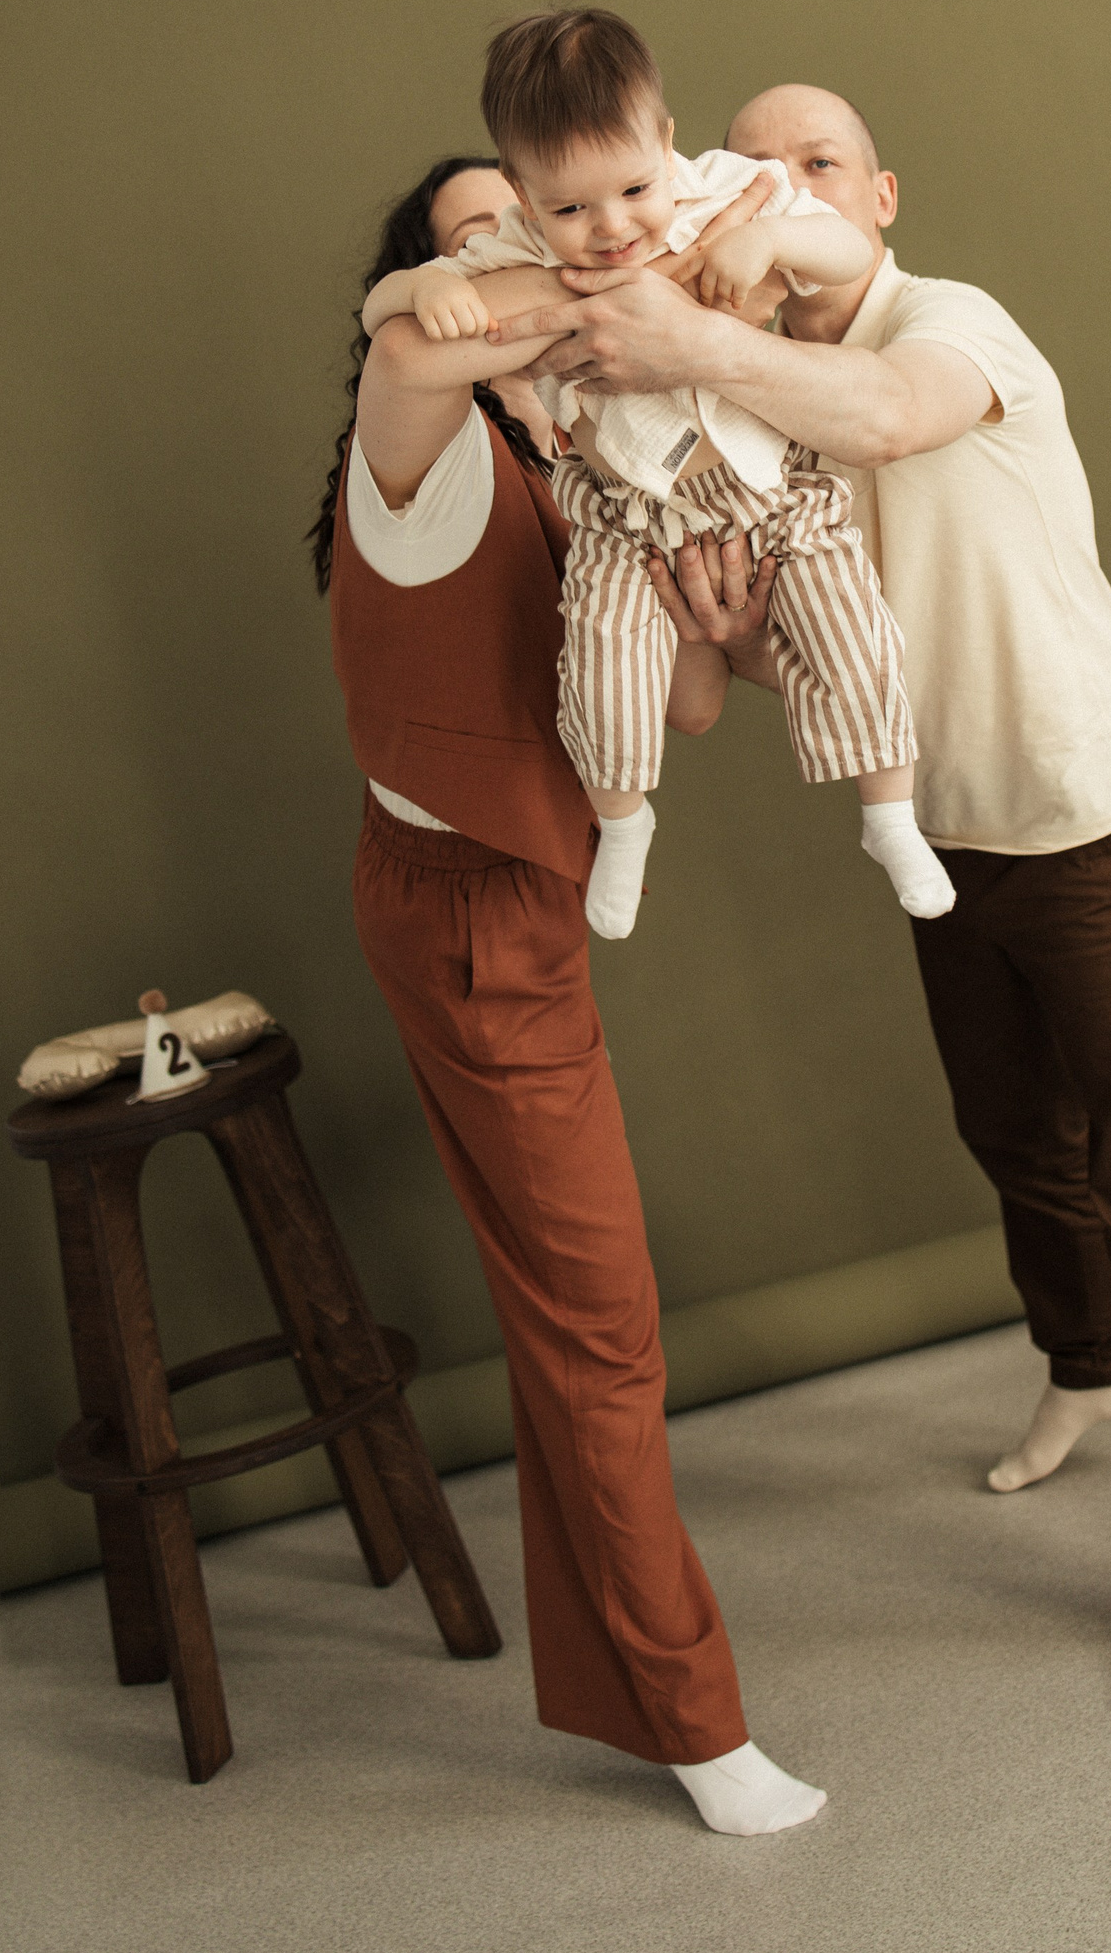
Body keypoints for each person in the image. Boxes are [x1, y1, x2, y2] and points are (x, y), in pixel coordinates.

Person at [488, 87, 1111, 1716]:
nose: (783, 187)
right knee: (1013, 1139)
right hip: (945, 838)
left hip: (1086, 822)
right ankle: (1090, 1371)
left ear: (877, 198)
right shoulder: (743, 405)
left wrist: (697, 343)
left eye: (818, 163)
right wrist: (726, 627)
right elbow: (832, 659)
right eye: (756, 165)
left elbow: (899, 417)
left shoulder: (953, 325)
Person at [309, 151, 825, 1833]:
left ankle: (627, 1683)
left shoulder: (574, 448)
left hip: (525, 898)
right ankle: (690, 1722)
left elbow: (679, 711)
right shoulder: (418, 436)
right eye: (487, 234)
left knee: (575, 1326)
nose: (533, 255)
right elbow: (418, 338)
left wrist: (714, 620)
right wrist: (651, 267)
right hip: (470, 915)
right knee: (602, 1332)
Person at [361, 9, 954, 940]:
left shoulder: (722, 192)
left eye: (636, 189)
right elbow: (388, 320)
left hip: (763, 492)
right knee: (601, 669)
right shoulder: (515, 247)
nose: (612, 229)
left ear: (667, 143)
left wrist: (772, 242)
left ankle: (889, 816)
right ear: (523, 194)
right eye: (570, 210)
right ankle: (625, 822)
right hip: (627, 518)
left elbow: (845, 248)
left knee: (855, 633)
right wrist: (429, 284)